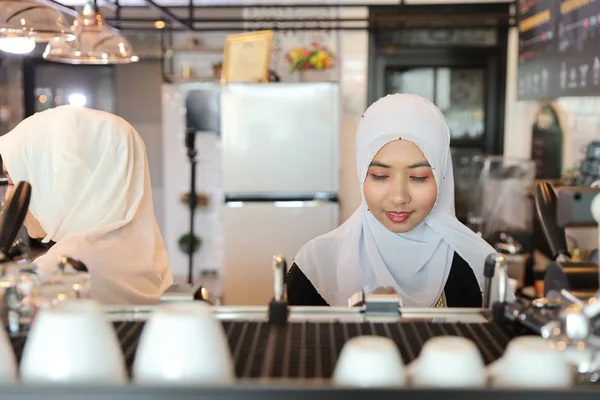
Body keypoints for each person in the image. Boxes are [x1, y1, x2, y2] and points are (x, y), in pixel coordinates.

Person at [287, 93, 513, 308]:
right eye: (380, 176)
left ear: (442, 177)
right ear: (361, 173)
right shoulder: (316, 266)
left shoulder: (480, 267)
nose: (398, 197)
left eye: (418, 177)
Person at [0, 105, 173, 305]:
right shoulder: (144, 255)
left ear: (65, 180)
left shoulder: (63, 272)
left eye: (13, 183)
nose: (7, 199)